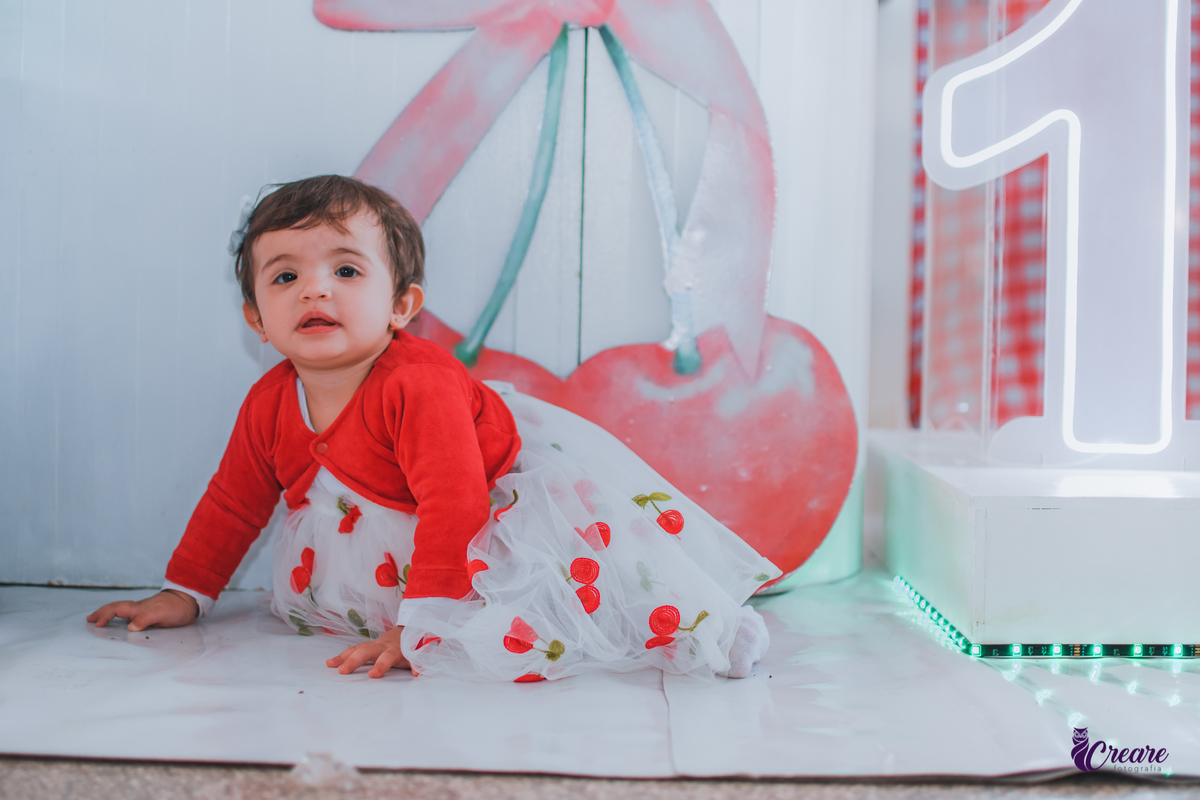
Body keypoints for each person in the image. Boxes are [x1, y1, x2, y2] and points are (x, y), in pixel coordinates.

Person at [87, 175, 779, 681]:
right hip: (401, 542)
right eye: (285, 275)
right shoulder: (269, 402)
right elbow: (234, 500)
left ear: (402, 306)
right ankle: (415, 606)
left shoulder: (417, 385)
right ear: (256, 320)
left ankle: (716, 627)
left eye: (346, 270)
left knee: (585, 591)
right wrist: (186, 591)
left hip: (483, 514)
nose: (314, 289)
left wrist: (422, 627)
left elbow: (454, 504)